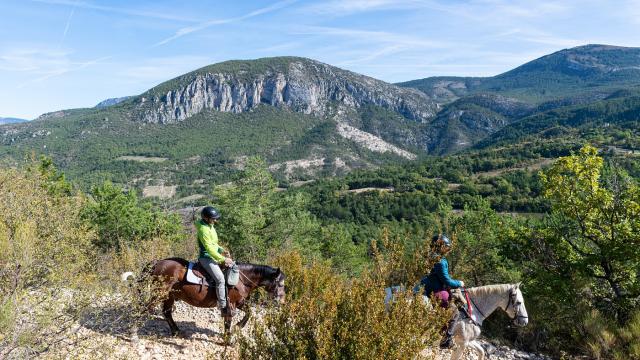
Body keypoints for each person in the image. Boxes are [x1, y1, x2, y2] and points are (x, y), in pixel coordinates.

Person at [419, 234, 464, 349]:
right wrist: (459, 283)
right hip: (435, 289)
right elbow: (446, 280)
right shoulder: (440, 261)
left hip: (426, 284)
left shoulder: (429, 256)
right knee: (455, 312)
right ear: (440, 247)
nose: (447, 249)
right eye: (445, 247)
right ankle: (446, 340)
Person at [196, 206, 234, 316]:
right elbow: (208, 248)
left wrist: (222, 250)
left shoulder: (210, 226)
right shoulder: (203, 229)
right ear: (207, 218)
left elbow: (214, 243)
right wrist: (222, 259)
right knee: (221, 279)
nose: (215, 220)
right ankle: (223, 306)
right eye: (213, 218)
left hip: (214, 256)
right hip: (206, 258)